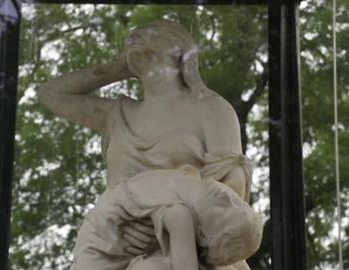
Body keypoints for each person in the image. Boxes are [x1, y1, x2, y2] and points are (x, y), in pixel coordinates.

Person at [37, 19, 259, 269]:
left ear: (178, 48)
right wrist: (115, 69)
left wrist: (173, 231)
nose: (136, 37)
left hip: (192, 246)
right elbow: (49, 94)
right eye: (134, 36)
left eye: (150, 33)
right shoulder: (117, 114)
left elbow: (233, 187)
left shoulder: (211, 108)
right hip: (115, 245)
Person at [72, 166, 263, 270]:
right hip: (96, 245)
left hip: (99, 260)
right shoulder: (190, 175)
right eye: (239, 202)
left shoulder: (180, 214)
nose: (228, 198)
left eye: (224, 209)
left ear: (203, 235)